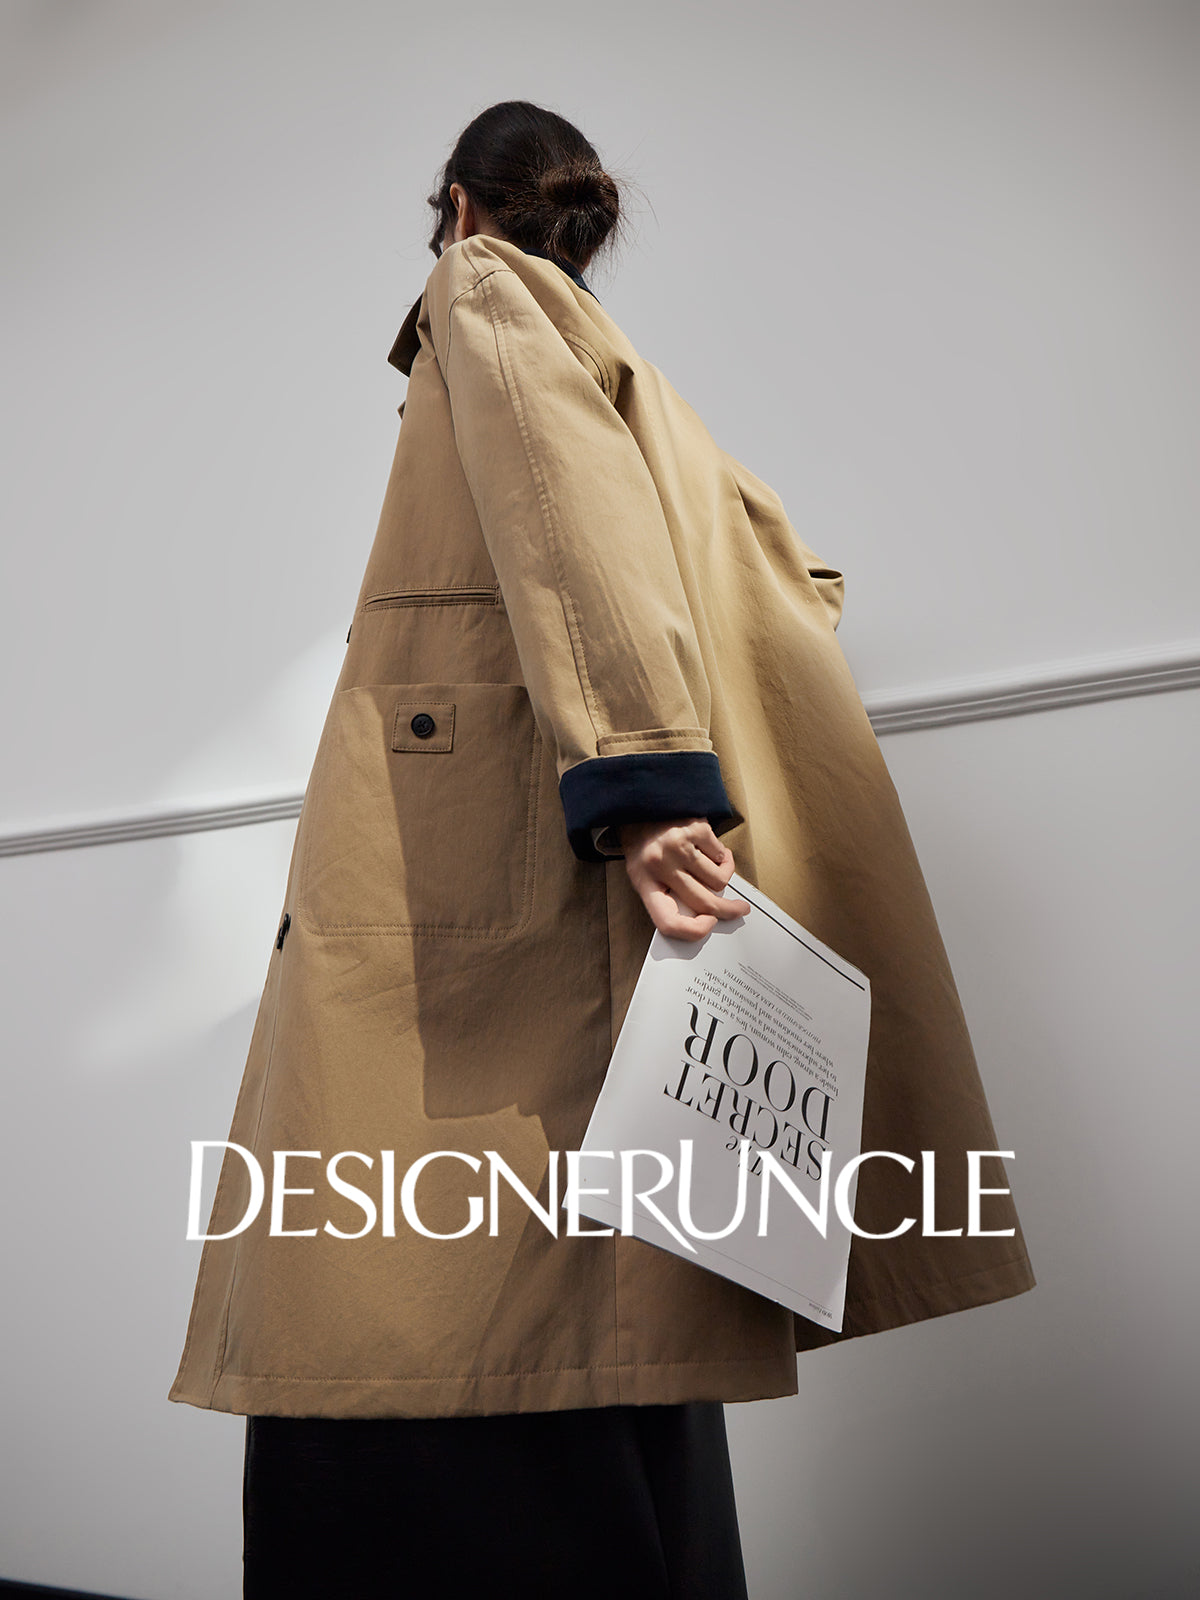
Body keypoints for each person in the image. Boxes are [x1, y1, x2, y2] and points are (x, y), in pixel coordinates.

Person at [169, 100, 1035, 1595]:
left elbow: (570, 522)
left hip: (480, 892)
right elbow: (787, 580)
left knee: (399, 1306)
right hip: (546, 889)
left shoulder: (482, 289)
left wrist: (640, 777)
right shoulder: (648, 388)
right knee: (587, 1331)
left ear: (457, 205)